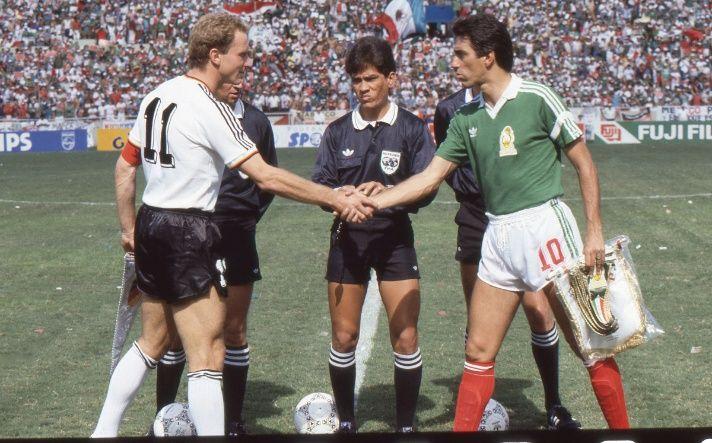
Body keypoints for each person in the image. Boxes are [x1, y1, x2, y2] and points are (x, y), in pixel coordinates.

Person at [92, 12, 373, 437]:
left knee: (151, 343)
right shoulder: (211, 107)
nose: (247, 62)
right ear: (215, 55)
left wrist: (129, 229)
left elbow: (124, 167)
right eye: (242, 54)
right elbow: (266, 176)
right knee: (208, 354)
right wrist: (334, 197)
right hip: (188, 229)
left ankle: (103, 432)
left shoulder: (157, 95)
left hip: (151, 223)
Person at [371, 14, 630, 431]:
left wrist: (594, 231)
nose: (453, 64)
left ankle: (626, 436)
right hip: (497, 236)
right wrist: (377, 200)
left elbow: (584, 163)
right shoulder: (465, 118)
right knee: (478, 351)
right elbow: (429, 178)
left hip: (546, 229)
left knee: (590, 343)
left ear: (488, 57)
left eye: (461, 55)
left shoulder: (538, 98)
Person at [434, 86, 579, 429]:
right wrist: (475, 188)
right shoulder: (449, 108)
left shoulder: (520, 98)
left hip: (521, 216)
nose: (456, 64)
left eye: (463, 58)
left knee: (539, 310)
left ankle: (554, 404)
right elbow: (445, 164)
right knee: (478, 321)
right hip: (475, 216)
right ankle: (478, 406)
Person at [312, 36, 436, 433]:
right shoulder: (337, 131)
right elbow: (321, 184)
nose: (362, 88)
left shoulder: (412, 128)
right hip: (348, 240)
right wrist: (342, 197)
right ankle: (347, 423)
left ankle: (405, 427)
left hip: (395, 240)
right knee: (344, 336)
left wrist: (388, 194)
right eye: (357, 80)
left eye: (370, 79)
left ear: (391, 78)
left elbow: (428, 187)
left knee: (406, 338)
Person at [141, 79, 277, 436]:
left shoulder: (257, 122)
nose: (238, 82)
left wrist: (247, 216)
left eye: (243, 74)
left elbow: (267, 181)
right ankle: (163, 420)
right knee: (173, 335)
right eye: (231, 75)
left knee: (234, 330)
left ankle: (232, 422)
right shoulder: (195, 111)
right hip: (191, 233)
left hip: (236, 234)